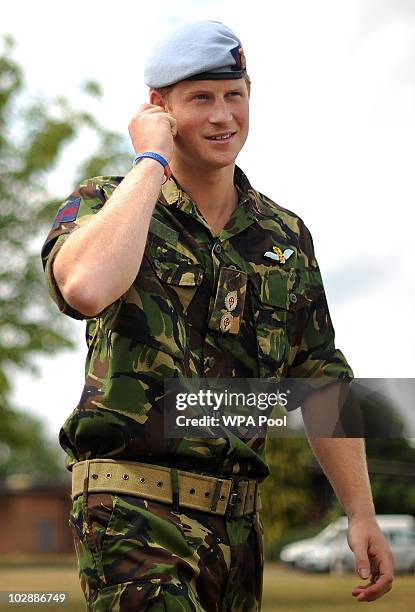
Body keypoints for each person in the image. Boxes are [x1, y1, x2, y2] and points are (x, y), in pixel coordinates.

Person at [41, 19, 394, 611]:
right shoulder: (108, 202)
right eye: (200, 98)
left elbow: (321, 379)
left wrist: (361, 513)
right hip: (132, 512)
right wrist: (151, 159)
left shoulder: (283, 235)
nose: (223, 116)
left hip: (238, 529)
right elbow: (84, 287)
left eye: (235, 95)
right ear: (158, 107)